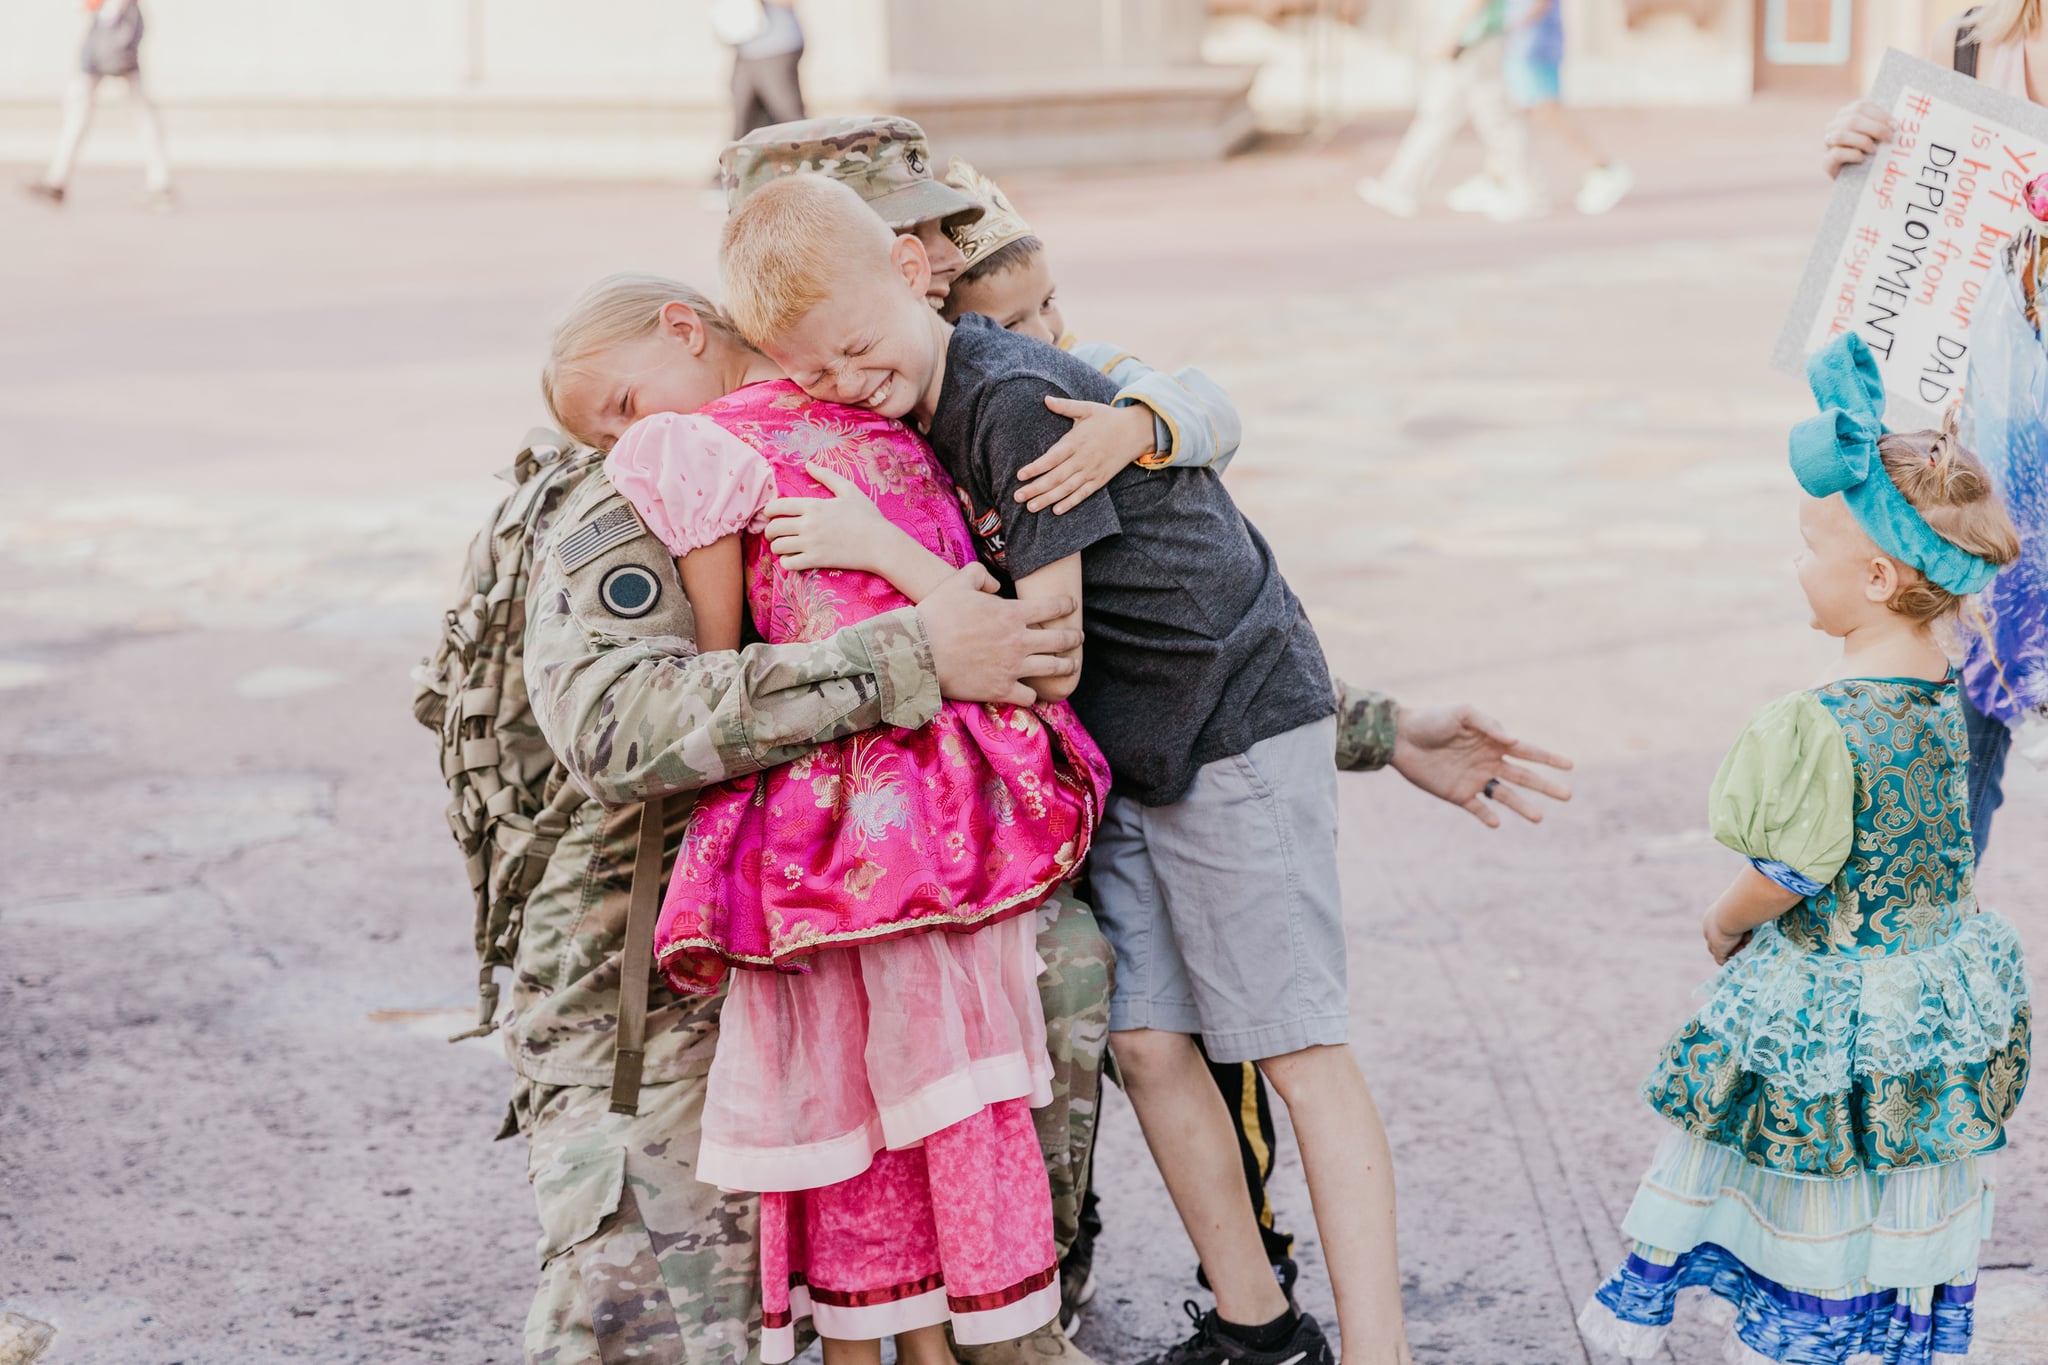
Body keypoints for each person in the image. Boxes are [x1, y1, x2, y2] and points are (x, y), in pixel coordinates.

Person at [718, 172, 1576, 1365]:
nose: (849, 386)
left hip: (1227, 720)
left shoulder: (1007, 396)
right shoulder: (914, 402)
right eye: (816, 376)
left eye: (858, 351)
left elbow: (1044, 650)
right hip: (1132, 751)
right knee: (1146, 1041)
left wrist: (875, 550)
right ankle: (1256, 1325)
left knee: (1294, 1050)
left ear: (914, 273)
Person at [600, 367, 1114, 1360]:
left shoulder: (697, 443)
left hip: (830, 812)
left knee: (845, 1091)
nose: (617, 425)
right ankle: (972, 1330)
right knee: (948, 1081)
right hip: (963, 782)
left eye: (611, 400)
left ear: (682, 330)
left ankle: (885, 1335)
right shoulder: (900, 405)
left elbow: (719, 655)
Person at [1578, 332, 2030, 1364]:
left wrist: (1720, 917)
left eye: (1805, 548)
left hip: (1835, 992)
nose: (1793, 564)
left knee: (1801, 1170)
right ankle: (1875, 1331)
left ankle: (1799, 1336)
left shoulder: (1818, 722)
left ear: (1873, 577)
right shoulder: (1946, 690)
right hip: (1927, 988)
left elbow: (1792, 867)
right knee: (1891, 1165)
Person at [937, 154, 1303, 1313]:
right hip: (1064, 779)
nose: (1048, 333)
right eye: (1010, 322)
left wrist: (1140, 421)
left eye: (1049, 302)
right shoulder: (960, 424)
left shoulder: (1094, 389)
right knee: (1097, 1033)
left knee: (1223, 1038)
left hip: (1165, 746)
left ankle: (1252, 1265)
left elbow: (1211, 406)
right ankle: (1059, 1247)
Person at [1818, 0, 2048, 857]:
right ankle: (1928, 974)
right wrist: (1862, 160)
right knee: (1944, 776)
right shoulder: (1966, 37)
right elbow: (1923, 251)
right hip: (1980, 479)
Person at [1445, 0, 1631, 218]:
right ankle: (1495, 178)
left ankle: (1602, 167)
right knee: (1517, 112)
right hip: (1523, 44)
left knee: (1546, 110)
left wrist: (1515, 27)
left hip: (1534, 45)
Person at [1357, 0, 1539, 221]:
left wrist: (1452, 36)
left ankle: (1527, 194)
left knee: (1498, 121)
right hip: (1467, 43)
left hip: (1475, 42)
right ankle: (1401, 186)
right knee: (1437, 117)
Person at [24, 0, 174, 210]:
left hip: (113, 25)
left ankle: (160, 183)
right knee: (84, 103)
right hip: (108, 25)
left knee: (134, 107)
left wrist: (105, 12)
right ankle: (57, 179)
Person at [713, 1, 807, 141]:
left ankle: (820, 156)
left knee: (789, 117)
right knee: (745, 123)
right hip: (746, 48)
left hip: (776, 47)